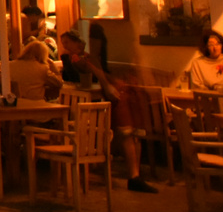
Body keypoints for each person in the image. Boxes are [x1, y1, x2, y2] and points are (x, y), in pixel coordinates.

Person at [59, 30, 156, 193]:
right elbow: (97, 72)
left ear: (79, 42)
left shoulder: (84, 58)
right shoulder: (77, 58)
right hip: (112, 91)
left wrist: (109, 85)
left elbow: (98, 72)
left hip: (116, 91)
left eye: (67, 42)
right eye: (63, 43)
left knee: (130, 133)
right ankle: (134, 175)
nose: (65, 46)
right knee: (130, 133)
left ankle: (135, 175)